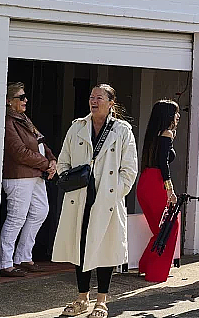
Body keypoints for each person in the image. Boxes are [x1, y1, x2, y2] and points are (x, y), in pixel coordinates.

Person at [53, 84, 138, 318]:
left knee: (105, 248)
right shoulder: (77, 128)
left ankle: (102, 301)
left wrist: (113, 193)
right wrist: (70, 181)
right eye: (91, 97)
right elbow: (63, 163)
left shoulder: (122, 131)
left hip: (107, 200)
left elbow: (129, 171)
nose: (94, 101)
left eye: (99, 97)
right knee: (80, 247)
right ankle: (82, 298)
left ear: (111, 103)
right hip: (80, 198)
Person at [0, 82, 57, 277]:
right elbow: (19, 152)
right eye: (21, 97)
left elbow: (41, 142)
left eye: (25, 97)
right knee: (16, 217)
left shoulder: (23, 119)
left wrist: (52, 159)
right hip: (19, 176)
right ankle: (4, 263)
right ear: (8, 101)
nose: (25, 100)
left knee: (40, 211)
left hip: (35, 174)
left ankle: (22, 256)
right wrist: (45, 164)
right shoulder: (7, 122)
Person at [137, 100, 181, 283]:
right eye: (175, 112)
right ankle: (156, 272)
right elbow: (163, 164)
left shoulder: (153, 134)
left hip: (145, 181)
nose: (178, 116)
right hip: (156, 183)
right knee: (170, 227)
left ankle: (146, 265)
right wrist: (170, 189)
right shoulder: (166, 133)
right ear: (168, 116)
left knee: (160, 229)